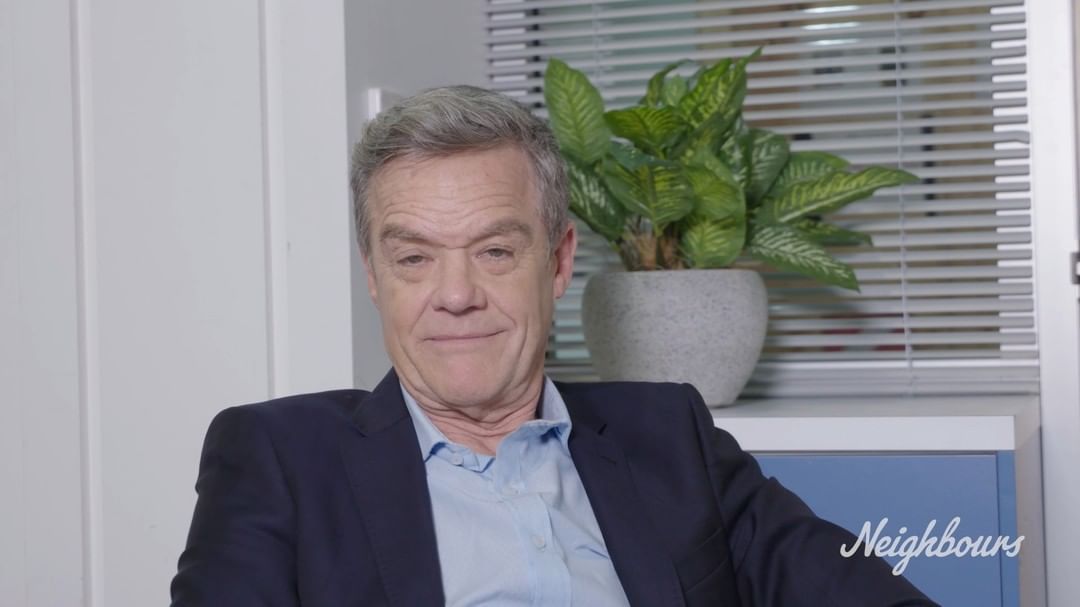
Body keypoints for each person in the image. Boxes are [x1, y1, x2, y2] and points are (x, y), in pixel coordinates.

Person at [170, 85, 936, 606]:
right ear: (374, 275)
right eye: (414, 258)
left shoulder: (670, 435)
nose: (457, 293)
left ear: (560, 261)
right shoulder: (279, 460)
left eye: (495, 251)